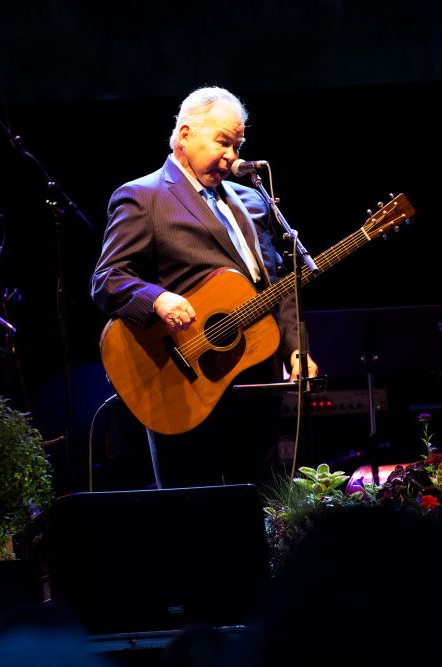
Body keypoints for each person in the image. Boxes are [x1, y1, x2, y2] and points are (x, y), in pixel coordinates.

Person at [90, 86, 317, 489]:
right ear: (184, 135)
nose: (233, 155)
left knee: (259, 503)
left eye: (238, 144)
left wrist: (295, 348)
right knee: (194, 513)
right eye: (223, 142)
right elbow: (108, 279)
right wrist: (157, 299)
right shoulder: (144, 197)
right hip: (184, 381)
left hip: (254, 375)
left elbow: (277, 283)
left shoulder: (252, 202)